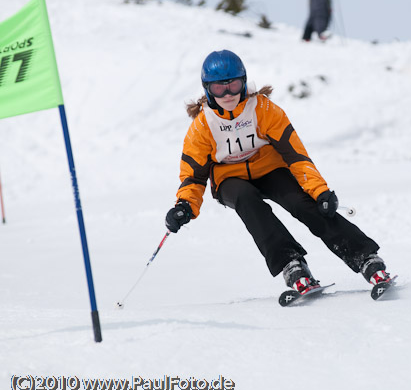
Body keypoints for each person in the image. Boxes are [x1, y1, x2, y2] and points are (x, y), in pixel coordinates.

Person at [165, 50, 393, 296]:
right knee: (246, 199)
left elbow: (296, 155)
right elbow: (193, 175)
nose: (228, 94)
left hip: (270, 169)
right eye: (220, 89)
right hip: (230, 179)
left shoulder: (262, 109)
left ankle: (366, 257)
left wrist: (320, 191)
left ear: (244, 81)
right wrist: (185, 205)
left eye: (234, 85)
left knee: (303, 203)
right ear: (208, 89)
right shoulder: (202, 125)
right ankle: (291, 264)